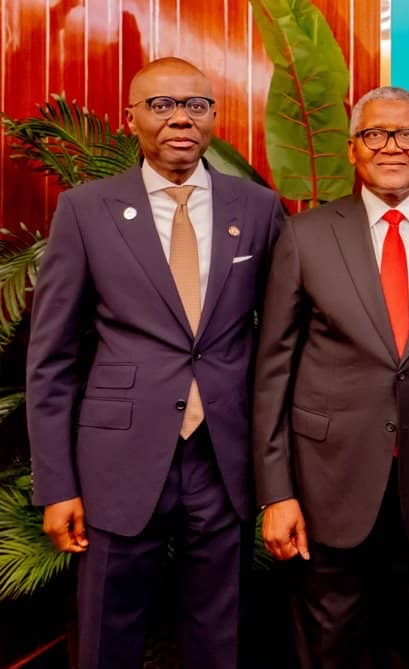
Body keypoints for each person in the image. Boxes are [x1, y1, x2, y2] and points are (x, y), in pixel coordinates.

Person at [27, 57, 284, 668]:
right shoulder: (86, 210)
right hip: (117, 461)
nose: (180, 119)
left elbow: (278, 346)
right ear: (133, 119)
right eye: (162, 105)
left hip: (224, 457)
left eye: (195, 105)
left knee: (218, 635)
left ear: (214, 118)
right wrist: (57, 486)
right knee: (106, 635)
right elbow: (52, 360)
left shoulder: (258, 209)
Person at [252, 85, 409, 669]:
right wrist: (277, 493)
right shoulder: (304, 235)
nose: (392, 146)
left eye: (408, 135)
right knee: (328, 649)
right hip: (324, 488)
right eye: (375, 134)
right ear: (352, 149)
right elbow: (271, 373)